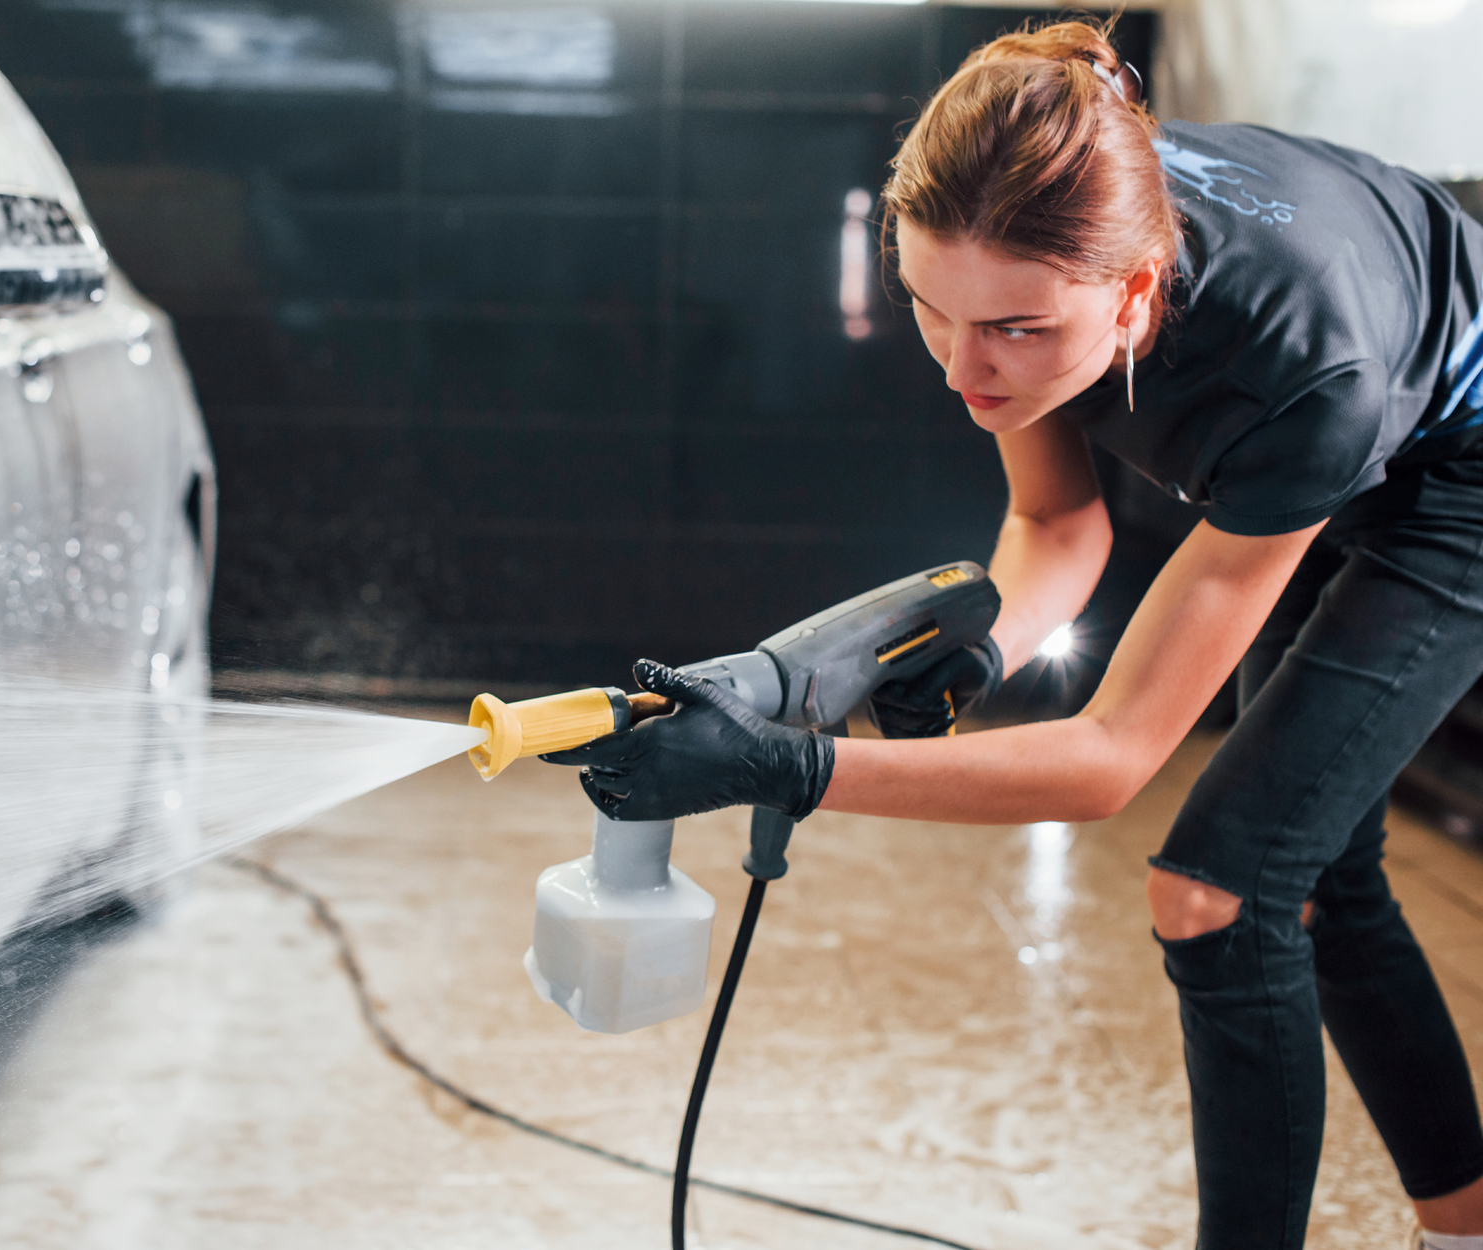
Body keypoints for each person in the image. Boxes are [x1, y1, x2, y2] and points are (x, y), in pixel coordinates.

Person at [545, 20, 1483, 1250]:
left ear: (1136, 291)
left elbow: (1108, 761)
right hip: (1349, 394)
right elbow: (1054, 518)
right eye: (932, 308)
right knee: (1315, 873)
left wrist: (787, 769)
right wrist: (988, 647)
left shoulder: (1295, 382)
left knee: (1219, 885)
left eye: (1015, 333)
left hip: (1454, 463)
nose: (962, 369)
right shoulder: (1034, 220)